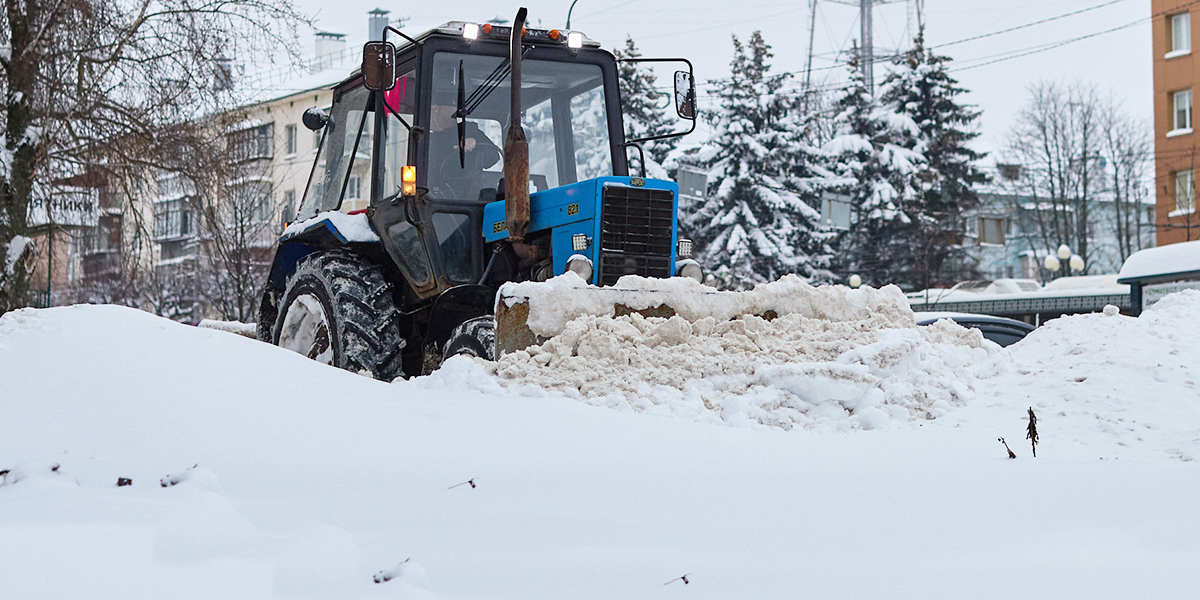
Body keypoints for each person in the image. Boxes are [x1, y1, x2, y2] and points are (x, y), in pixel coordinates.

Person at [428, 103, 502, 200]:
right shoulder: (426, 139)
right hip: (433, 198)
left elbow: (493, 157)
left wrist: (475, 144)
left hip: (470, 198)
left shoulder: (470, 131)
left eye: (437, 108)